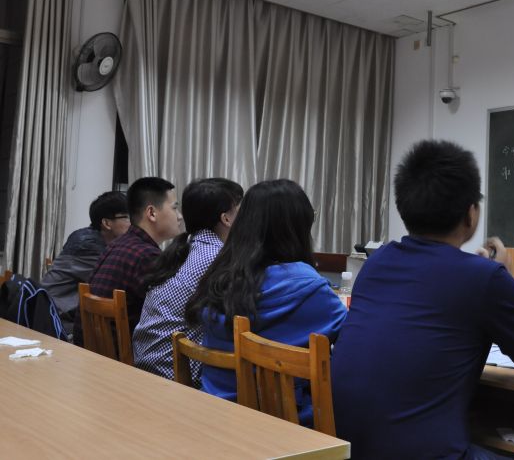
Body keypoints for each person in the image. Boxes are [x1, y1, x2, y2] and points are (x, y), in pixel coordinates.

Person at [331, 140, 514, 460]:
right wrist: (507, 280)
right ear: (471, 213)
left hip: (350, 451)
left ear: (404, 207)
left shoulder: (378, 262)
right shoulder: (485, 278)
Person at [185, 179, 347, 426]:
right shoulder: (308, 288)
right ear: (297, 226)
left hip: (215, 413)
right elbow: (353, 340)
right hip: (283, 424)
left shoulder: (220, 277)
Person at [132, 178, 243, 385]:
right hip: (172, 378)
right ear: (226, 218)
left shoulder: (185, 248)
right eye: (240, 211)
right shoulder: (218, 258)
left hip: (145, 366)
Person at [81, 177, 183, 342]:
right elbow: (173, 314)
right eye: (174, 208)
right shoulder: (147, 256)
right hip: (123, 355)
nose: (179, 216)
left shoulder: (118, 245)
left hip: (90, 350)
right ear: (151, 213)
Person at [40, 191, 129, 336]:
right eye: (126, 217)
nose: (132, 223)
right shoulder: (88, 246)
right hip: (55, 321)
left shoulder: (92, 238)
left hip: (56, 312)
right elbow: (115, 283)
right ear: (107, 223)